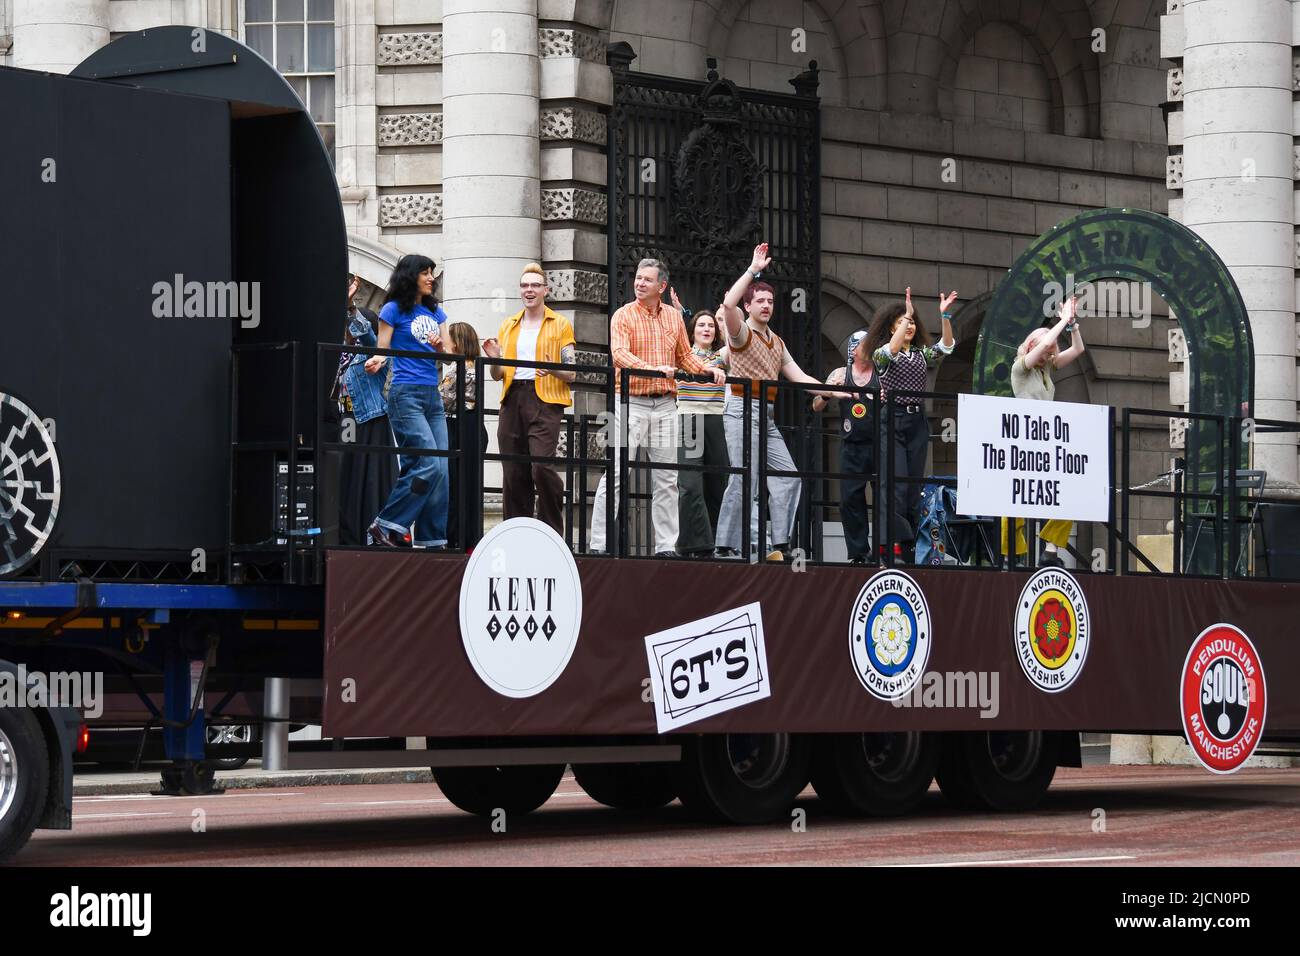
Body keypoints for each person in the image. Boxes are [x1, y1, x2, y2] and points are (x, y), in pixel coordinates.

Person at [588, 259, 726, 557]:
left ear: (661, 286)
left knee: (667, 478)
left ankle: (665, 547)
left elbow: (685, 357)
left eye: (646, 280)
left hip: (665, 404)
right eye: (638, 278)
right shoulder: (623, 315)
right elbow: (619, 354)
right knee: (614, 473)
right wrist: (653, 369)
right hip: (627, 401)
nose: (639, 283)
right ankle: (598, 545)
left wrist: (707, 371)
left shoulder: (675, 318)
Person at [715, 242, 829, 562]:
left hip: (765, 414)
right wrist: (753, 270)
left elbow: (800, 376)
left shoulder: (776, 341)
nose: (766, 305)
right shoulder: (740, 333)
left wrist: (838, 391)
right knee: (743, 478)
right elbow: (727, 305)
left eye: (770, 301)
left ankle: (777, 544)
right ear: (748, 306)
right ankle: (727, 545)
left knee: (789, 476)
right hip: (740, 409)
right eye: (760, 301)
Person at [364, 255, 450, 549]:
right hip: (405, 393)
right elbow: (383, 348)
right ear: (410, 276)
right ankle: (386, 524)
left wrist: (440, 347)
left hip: (432, 396)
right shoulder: (392, 310)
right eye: (425, 273)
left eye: (432, 273)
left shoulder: (436, 312)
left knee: (441, 470)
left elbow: (449, 353)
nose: (431, 278)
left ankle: (431, 538)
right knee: (428, 463)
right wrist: (377, 361)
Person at [485, 264, 576, 536]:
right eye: (525, 285)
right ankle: (516, 531)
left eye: (535, 285)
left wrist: (551, 368)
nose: (529, 290)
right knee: (513, 471)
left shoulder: (559, 324)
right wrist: (495, 358)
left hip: (545, 399)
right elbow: (498, 373)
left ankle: (551, 530)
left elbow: (570, 372)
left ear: (545, 290)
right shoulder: (508, 325)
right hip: (513, 397)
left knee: (541, 466)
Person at [866, 287, 957, 557]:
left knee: (914, 484)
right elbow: (891, 351)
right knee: (896, 482)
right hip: (891, 418)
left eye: (912, 322)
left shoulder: (920, 355)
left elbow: (947, 347)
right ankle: (891, 542)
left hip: (916, 420)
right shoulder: (881, 354)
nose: (909, 325)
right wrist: (906, 313)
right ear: (891, 327)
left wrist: (945, 315)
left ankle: (908, 546)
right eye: (902, 322)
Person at [1002, 295, 1086, 567]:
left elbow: (1078, 350)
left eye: (1050, 352)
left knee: (1067, 495)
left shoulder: (1047, 369)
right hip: (1023, 439)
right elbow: (1049, 342)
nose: (1050, 353)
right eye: (1045, 350)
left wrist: (1072, 325)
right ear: (1031, 346)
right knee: (1015, 501)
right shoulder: (1021, 368)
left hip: (1047, 439)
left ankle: (1049, 551)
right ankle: (1011, 554)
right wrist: (1061, 319)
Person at [335, 275, 399, 546]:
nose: (348, 330)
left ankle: (376, 536)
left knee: (372, 483)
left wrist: (351, 309)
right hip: (344, 420)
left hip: (370, 419)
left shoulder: (371, 352)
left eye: (351, 325)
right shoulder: (340, 352)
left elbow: (370, 338)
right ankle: (347, 537)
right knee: (347, 483)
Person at [812, 329, 878, 563]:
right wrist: (831, 392)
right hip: (851, 444)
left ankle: (885, 549)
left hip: (879, 443)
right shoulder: (840, 372)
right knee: (850, 499)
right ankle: (859, 552)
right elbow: (816, 404)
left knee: (886, 496)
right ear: (853, 349)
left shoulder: (881, 372)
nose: (869, 348)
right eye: (863, 344)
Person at [673, 304, 730, 557]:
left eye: (710, 325)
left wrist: (726, 311)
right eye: (701, 325)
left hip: (716, 421)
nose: (706, 329)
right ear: (692, 331)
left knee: (717, 484)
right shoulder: (683, 355)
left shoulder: (722, 355)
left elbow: (737, 339)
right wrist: (680, 312)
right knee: (690, 484)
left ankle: (715, 541)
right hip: (690, 419)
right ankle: (691, 544)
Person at [441, 322, 490, 549]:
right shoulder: (473, 366)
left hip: (461, 428)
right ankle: (468, 538)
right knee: (468, 485)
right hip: (470, 427)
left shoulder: (460, 368)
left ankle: (457, 538)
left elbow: (443, 399)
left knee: (456, 485)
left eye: (448, 338)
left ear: (458, 342)